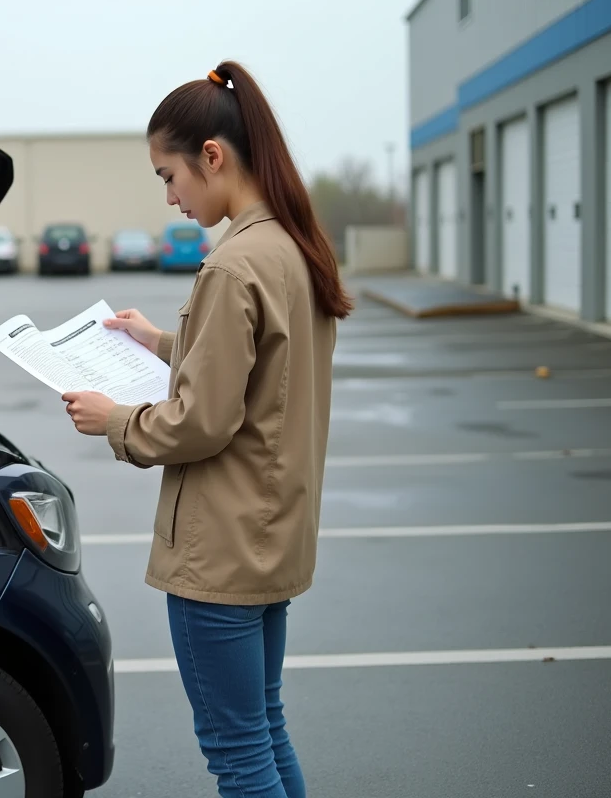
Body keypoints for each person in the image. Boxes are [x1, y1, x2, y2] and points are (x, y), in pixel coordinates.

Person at [62, 60, 352, 798]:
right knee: (262, 726)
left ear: (212, 157)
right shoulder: (291, 247)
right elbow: (261, 376)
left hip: (218, 552)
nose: (170, 196)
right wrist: (160, 340)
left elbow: (203, 421)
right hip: (268, 535)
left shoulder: (232, 266)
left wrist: (114, 421)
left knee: (236, 749)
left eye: (170, 175)